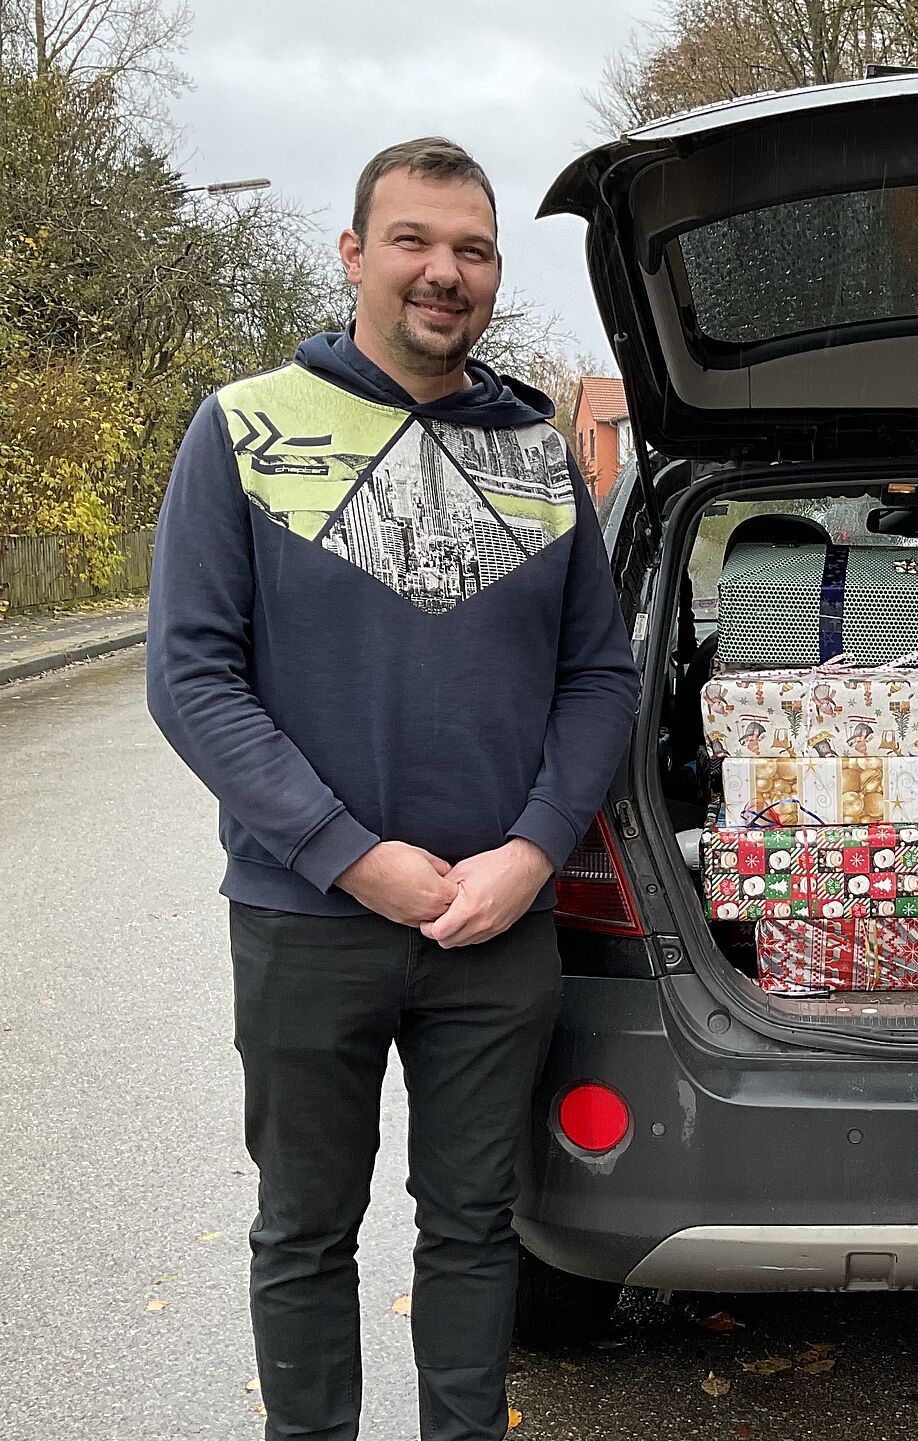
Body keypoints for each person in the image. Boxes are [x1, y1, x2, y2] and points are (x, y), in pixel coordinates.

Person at [147, 137, 640, 1441]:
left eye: (473, 249)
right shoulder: (243, 430)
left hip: (497, 929)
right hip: (307, 922)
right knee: (304, 1231)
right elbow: (192, 679)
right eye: (416, 241)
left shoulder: (542, 453)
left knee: (478, 1228)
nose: (446, 271)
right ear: (356, 254)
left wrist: (533, 853)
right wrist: (348, 852)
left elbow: (600, 676)